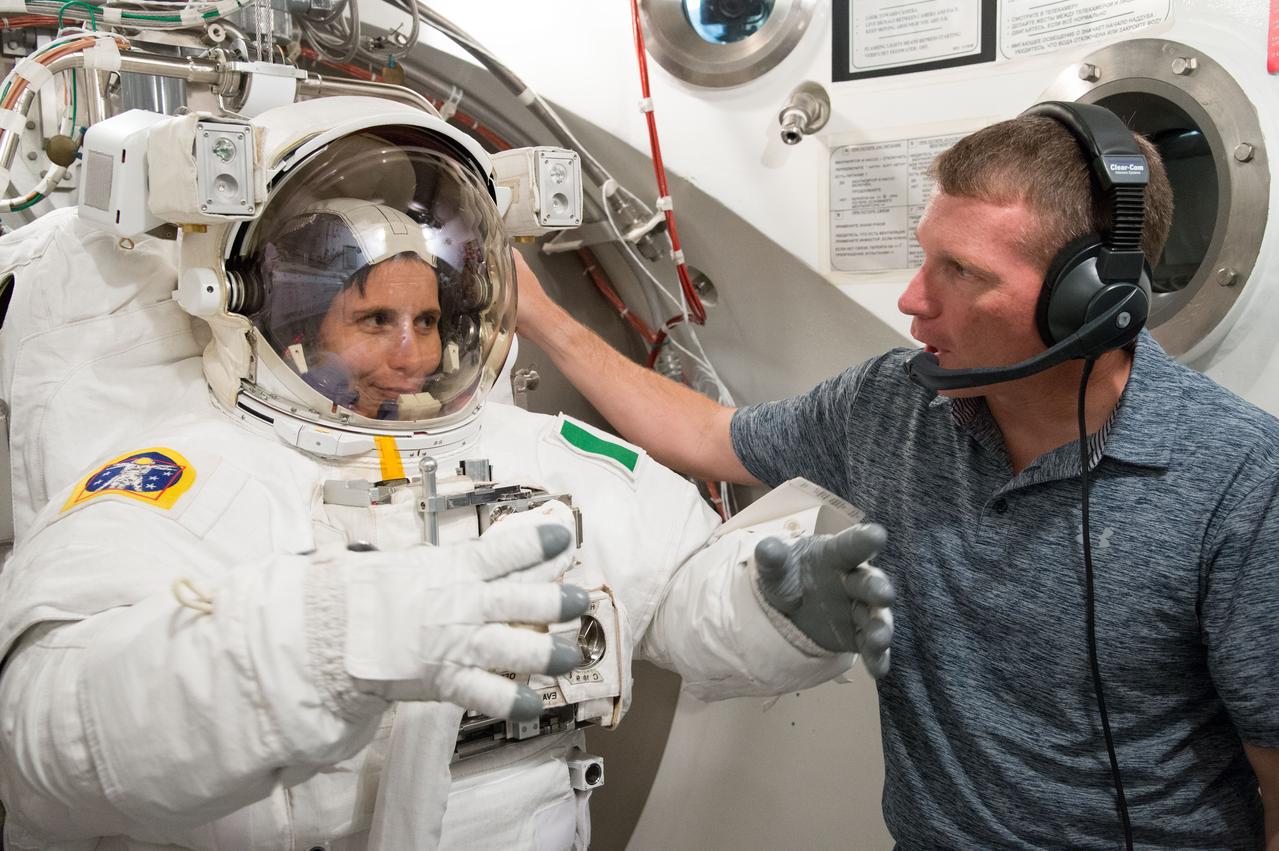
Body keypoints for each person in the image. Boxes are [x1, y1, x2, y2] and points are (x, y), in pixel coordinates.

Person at [0, 112, 896, 851]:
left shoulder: (545, 456)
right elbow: (46, 736)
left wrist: (769, 609)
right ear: (295, 323)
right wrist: (324, 642)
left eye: (428, 319)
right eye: (374, 318)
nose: (410, 352)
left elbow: (671, 594)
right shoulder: (187, 478)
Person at [514, 105, 1279, 848]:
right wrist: (541, 316)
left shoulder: (1241, 481)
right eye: (925, 255)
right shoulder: (895, 401)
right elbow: (711, 437)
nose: (913, 299)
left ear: (1088, 304)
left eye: (960, 271)